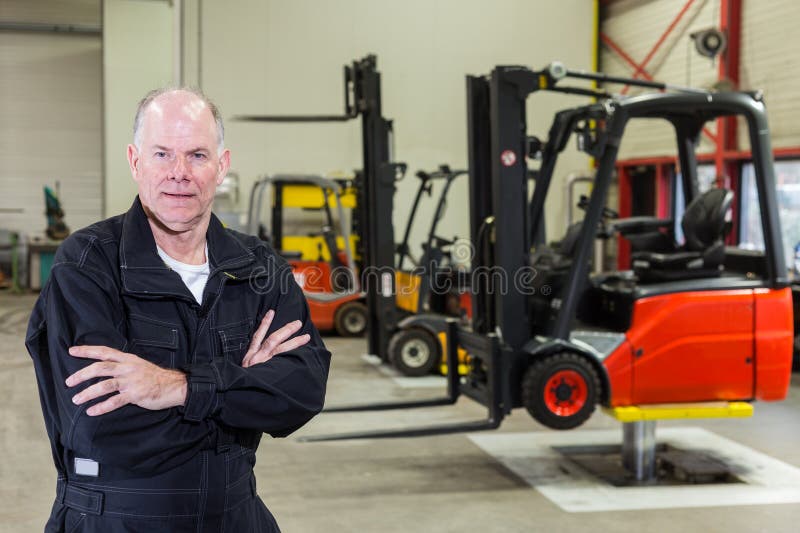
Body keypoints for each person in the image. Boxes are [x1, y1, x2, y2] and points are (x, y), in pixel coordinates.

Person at [25, 87, 331, 532]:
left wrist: (178, 388)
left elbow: (303, 391)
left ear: (222, 167)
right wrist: (244, 390)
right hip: (116, 520)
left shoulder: (258, 267)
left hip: (236, 517)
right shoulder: (88, 265)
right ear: (135, 161)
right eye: (163, 154)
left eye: (198, 156)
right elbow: (103, 431)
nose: (180, 173)